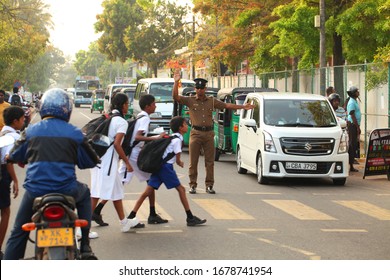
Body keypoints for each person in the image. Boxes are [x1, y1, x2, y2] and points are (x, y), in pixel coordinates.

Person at [4, 88, 98, 260]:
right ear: (66, 109)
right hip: (68, 190)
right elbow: (90, 161)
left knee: (18, 231)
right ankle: (85, 244)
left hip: (35, 191)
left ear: (43, 107)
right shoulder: (75, 133)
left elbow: (16, 155)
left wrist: (10, 157)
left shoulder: (30, 131)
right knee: (85, 194)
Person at [172, 70, 255, 194]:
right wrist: (176, 82)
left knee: (209, 162)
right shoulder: (190, 100)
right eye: (198, 87)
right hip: (195, 133)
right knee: (193, 162)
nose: (199, 90)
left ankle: (209, 185)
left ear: (205, 89)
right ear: (195, 88)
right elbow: (175, 97)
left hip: (209, 134)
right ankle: (192, 185)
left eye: (202, 88)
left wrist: (243, 107)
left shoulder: (211, 101)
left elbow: (227, 106)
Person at [131, 116, 207, 226]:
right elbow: (177, 158)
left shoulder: (172, 137)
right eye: (185, 125)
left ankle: (131, 216)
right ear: (181, 128)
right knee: (181, 189)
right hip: (166, 168)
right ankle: (190, 217)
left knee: (147, 192)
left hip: (159, 166)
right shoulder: (177, 140)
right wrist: (180, 162)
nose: (187, 126)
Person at [90, 92, 139, 232]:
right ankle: (82, 229)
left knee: (116, 191)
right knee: (96, 193)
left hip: (99, 159)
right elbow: (117, 144)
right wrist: (127, 163)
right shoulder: (121, 122)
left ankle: (124, 223)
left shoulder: (109, 117)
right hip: (107, 162)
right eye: (127, 104)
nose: (128, 107)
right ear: (123, 105)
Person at [121, 94, 168, 226]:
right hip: (135, 155)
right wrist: (156, 138)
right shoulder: (145, 118)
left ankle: (152, 213)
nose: (155, 106)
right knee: (121, 184)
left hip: (132, 154)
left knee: (149, 182)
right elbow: (137, 137)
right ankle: (135, 214)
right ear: (147, 106)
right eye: (154, 104)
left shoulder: (141, 115)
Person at [0, 106, 24, 259]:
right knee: (6, 212)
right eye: (22, 119)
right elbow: (8, 160)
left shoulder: (3, 132)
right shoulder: (12, 137)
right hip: (2, 176)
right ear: (15, 121)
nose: (23, 122)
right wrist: (15, 180)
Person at [346, 86, 361, 172]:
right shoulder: (352, 102)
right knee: (352, 145)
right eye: (356, 91)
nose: (358, 92)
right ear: (353, 93)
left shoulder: (354, 101)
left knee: (354, 144)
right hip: (352, 125)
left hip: (354, 125)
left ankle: (351, 164)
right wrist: (357, 127)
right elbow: (352, 115)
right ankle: (351, 165)